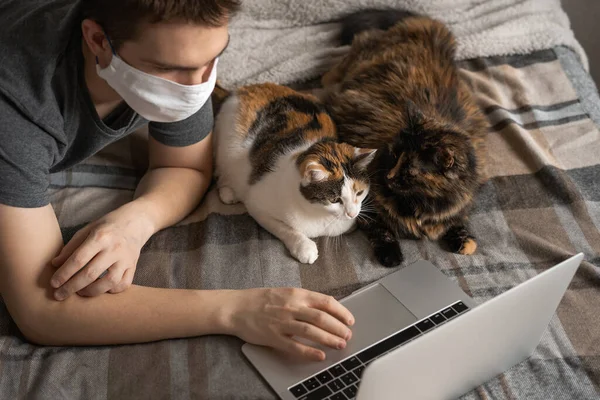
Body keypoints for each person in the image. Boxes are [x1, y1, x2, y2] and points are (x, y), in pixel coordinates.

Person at [0, 0, 354, 362]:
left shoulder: (181, 48)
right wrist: (237, 310)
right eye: (169, 70)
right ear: (98, 41)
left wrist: (136, 222)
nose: (198, 88)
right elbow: (41, 310)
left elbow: (185, 168)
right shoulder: (15, 107)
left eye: (212, 59)